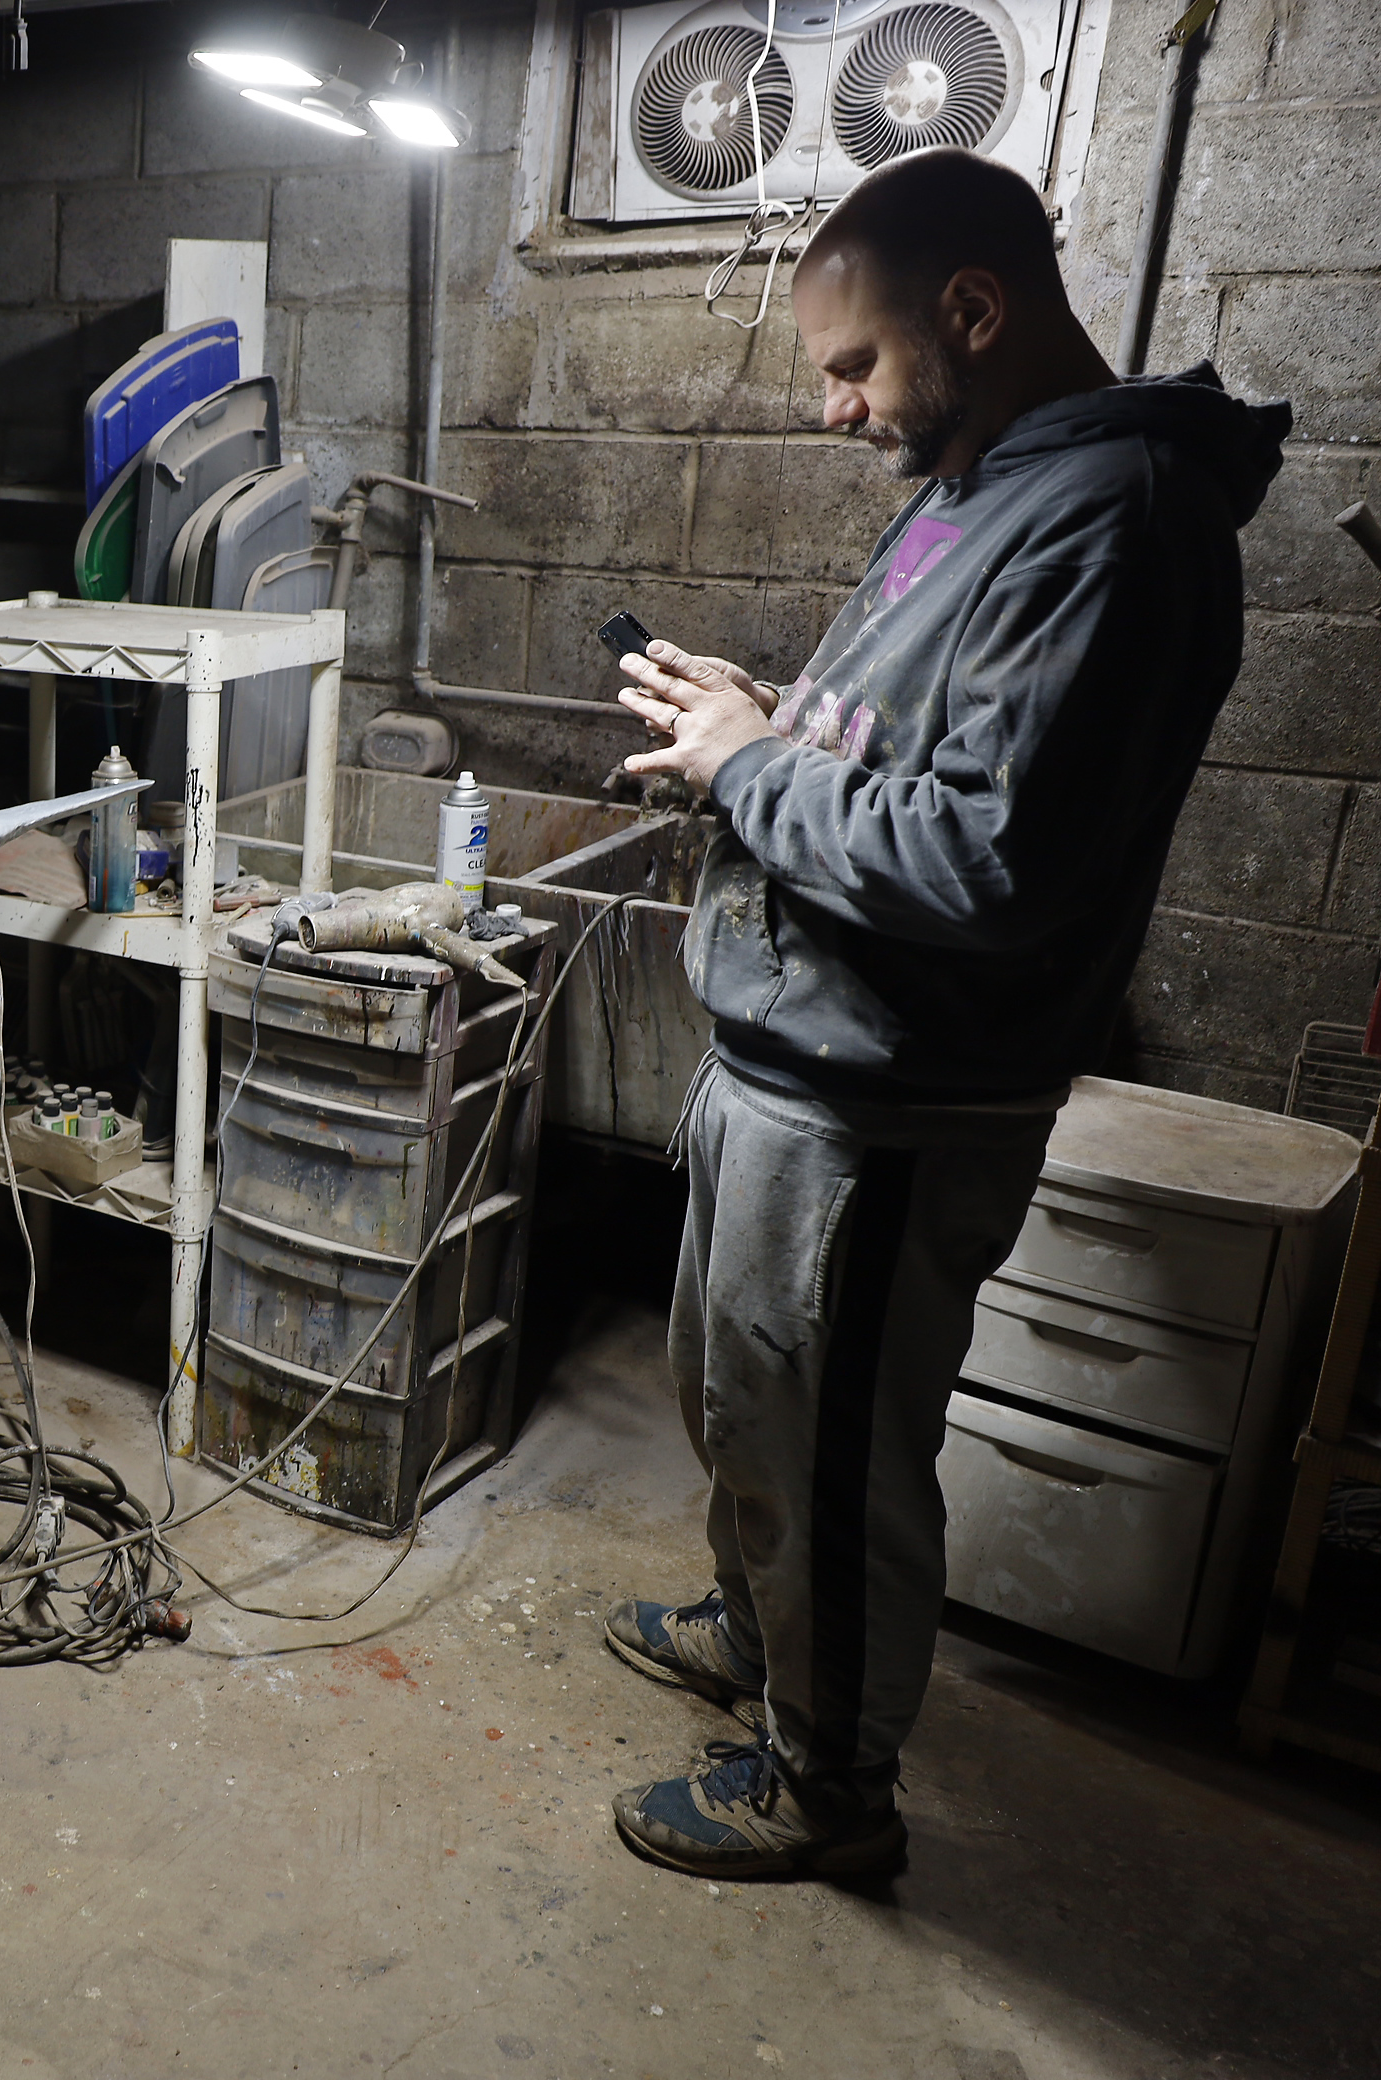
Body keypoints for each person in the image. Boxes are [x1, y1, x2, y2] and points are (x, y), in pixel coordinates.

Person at [594, 146, 1290, 1878]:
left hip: (889, 1101)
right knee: (740, 1398)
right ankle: (764, 1648)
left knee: (831, 1456)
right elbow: (903, 754)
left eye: (853, 365)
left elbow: (989, 863)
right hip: (799, 1052)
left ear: (971, 310)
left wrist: (752, 766)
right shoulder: (981, 476)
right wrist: (765, 717)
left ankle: (831, 1791)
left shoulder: (1120, 520)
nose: (837, 410)